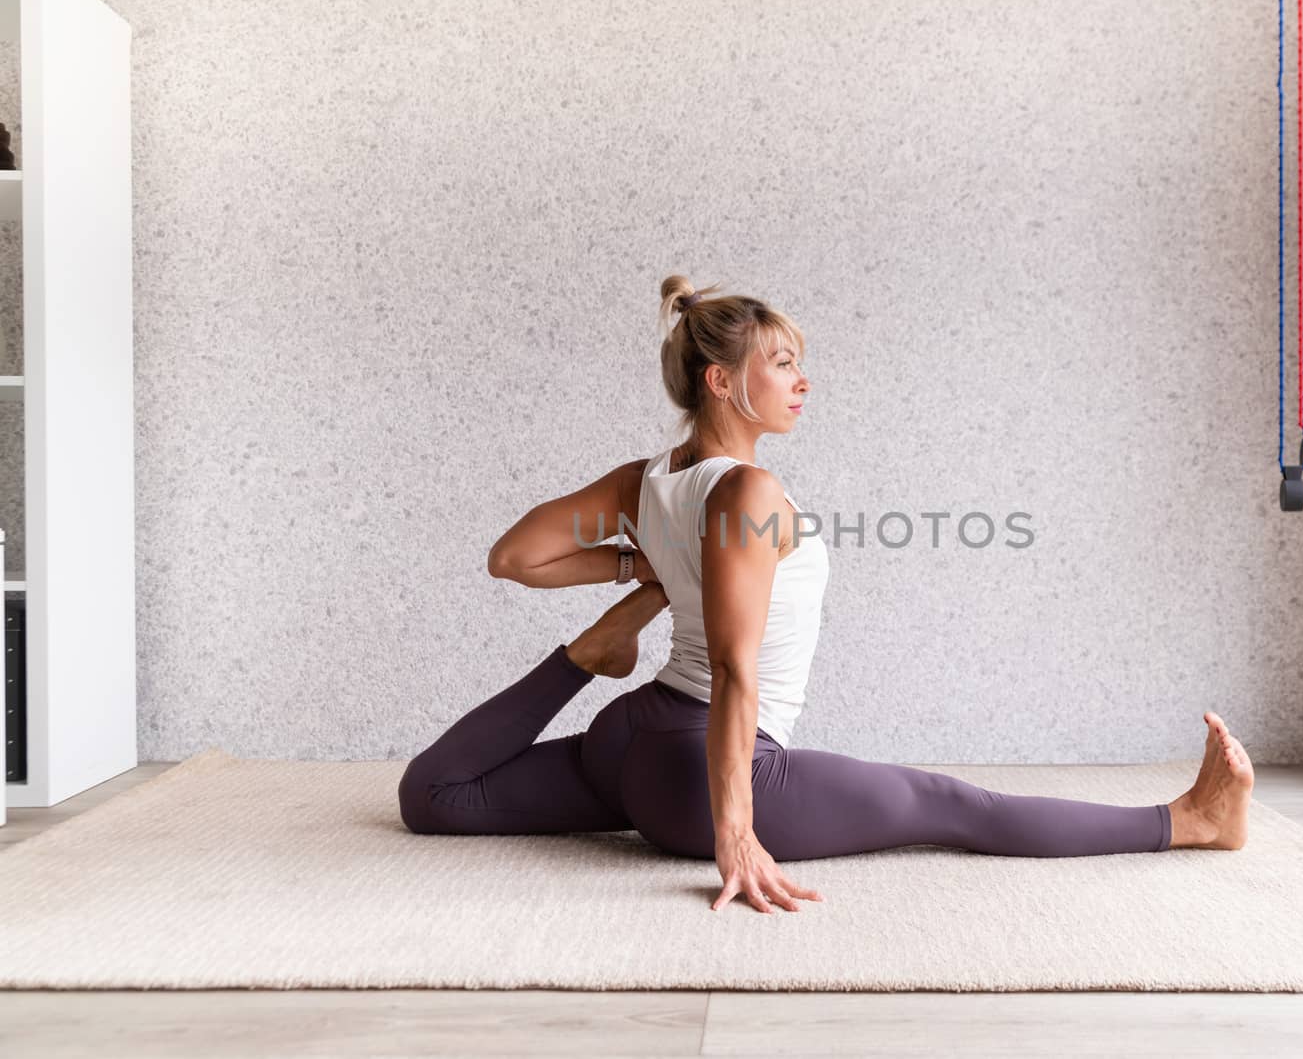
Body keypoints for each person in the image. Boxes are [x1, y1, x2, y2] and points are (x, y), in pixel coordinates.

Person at [397, 276, 1255, 914]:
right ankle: (1190, 822)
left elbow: (516, 557)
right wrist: (736, 828)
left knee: (434, 797)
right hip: (697, 773)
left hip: (629, 745)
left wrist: (635, 576)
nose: (801, 380)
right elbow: (735, 670)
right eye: (780, 363)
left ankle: (589, 656)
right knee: (943, 804)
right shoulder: (747, 495)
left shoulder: (645, 481)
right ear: (722, 383)